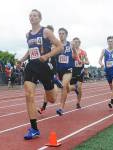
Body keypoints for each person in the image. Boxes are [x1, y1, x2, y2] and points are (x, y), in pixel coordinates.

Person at [18, 9, 62, 140]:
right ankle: (34, 129)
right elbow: (30, 51)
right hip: (31, 66)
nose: (32, 17)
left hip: (44, 67)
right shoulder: (27, 34)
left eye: (35, 15)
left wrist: (47, 56)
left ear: (40, 18)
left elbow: (59, 46)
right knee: (28, 94)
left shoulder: (46, 32)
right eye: (30, 15)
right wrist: (21, 60)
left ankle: (55, 84)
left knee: (52, 99)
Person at [37, 25, 63, 114]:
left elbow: (60, 50)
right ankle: (43, 107)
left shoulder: (55, 44)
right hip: (45, 69)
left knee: (53, 98)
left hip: (54, 70)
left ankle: (56, 81)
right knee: (46, 90)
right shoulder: (42, 43)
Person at [56, 28, 75, 116]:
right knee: (67, 88)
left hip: (68, 69)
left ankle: (61, 108)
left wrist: (74, 51)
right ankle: (74, 88)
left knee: (63, 86)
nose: (61, 35)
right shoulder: (56, 44)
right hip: (59, 70)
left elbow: (75, 55)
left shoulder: (70, 44)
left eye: (63, 33)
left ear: (66, 35)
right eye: (59, 33)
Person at [69, 37, 89, 109]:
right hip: (71, 72)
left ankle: (78, 103)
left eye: (77, 42)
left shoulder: (83, 52)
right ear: (73, 43)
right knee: (68, 88)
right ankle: (75, 89)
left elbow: (88, 62)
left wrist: (82, 61)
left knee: (79, 87)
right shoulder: (70, 51)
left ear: (79, 43)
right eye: (75, 42)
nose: (76, 43)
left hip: (80, 71)